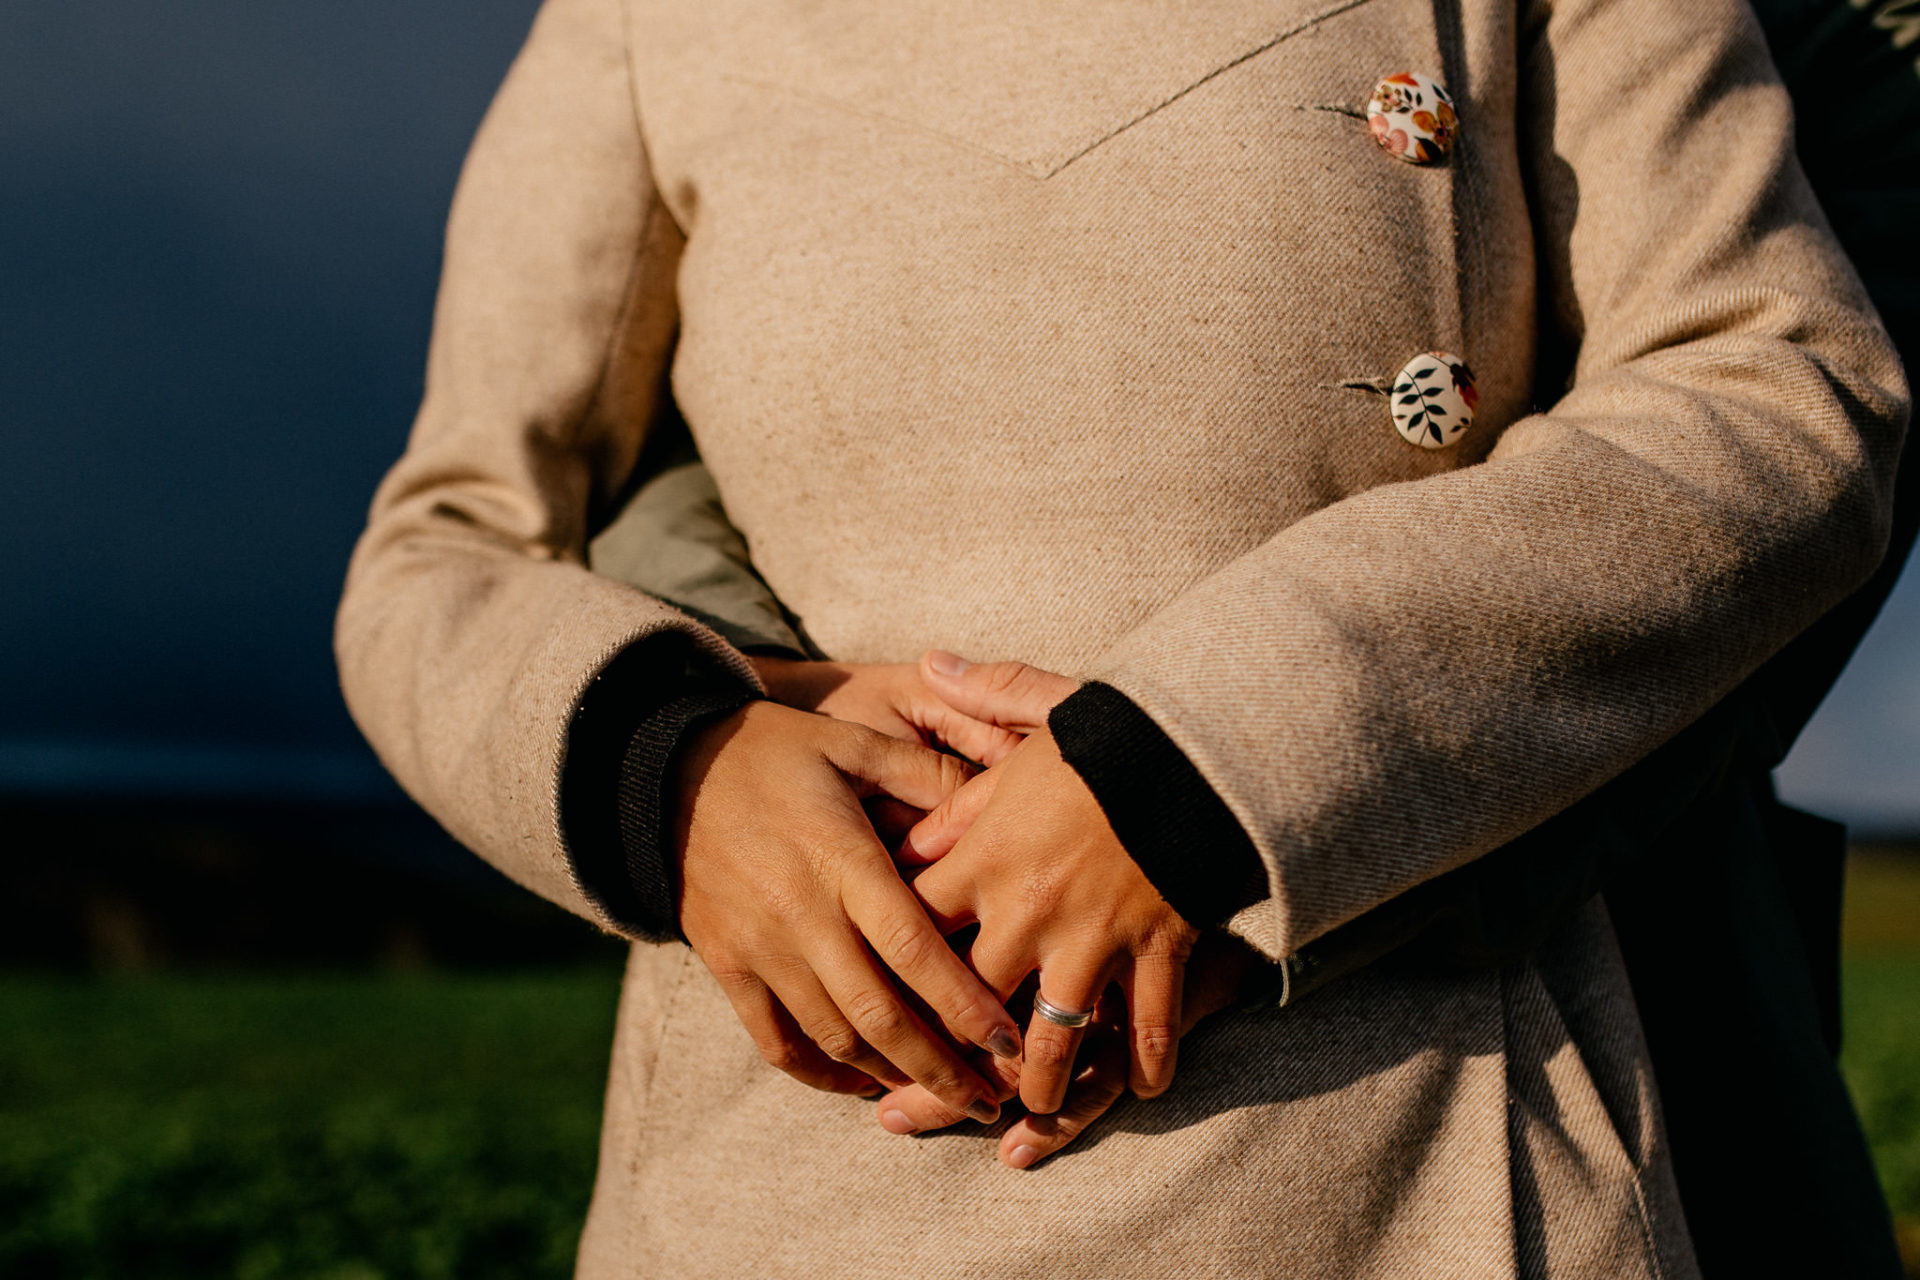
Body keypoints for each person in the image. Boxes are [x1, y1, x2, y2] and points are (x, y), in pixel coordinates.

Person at [335, 0, 1909, 1274]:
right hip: (789, 1167)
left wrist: (1200, 778)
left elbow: (1772, 392)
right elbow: (447, 548)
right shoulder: (641, 18)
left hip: (1400, 1133)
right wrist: (679, 777)